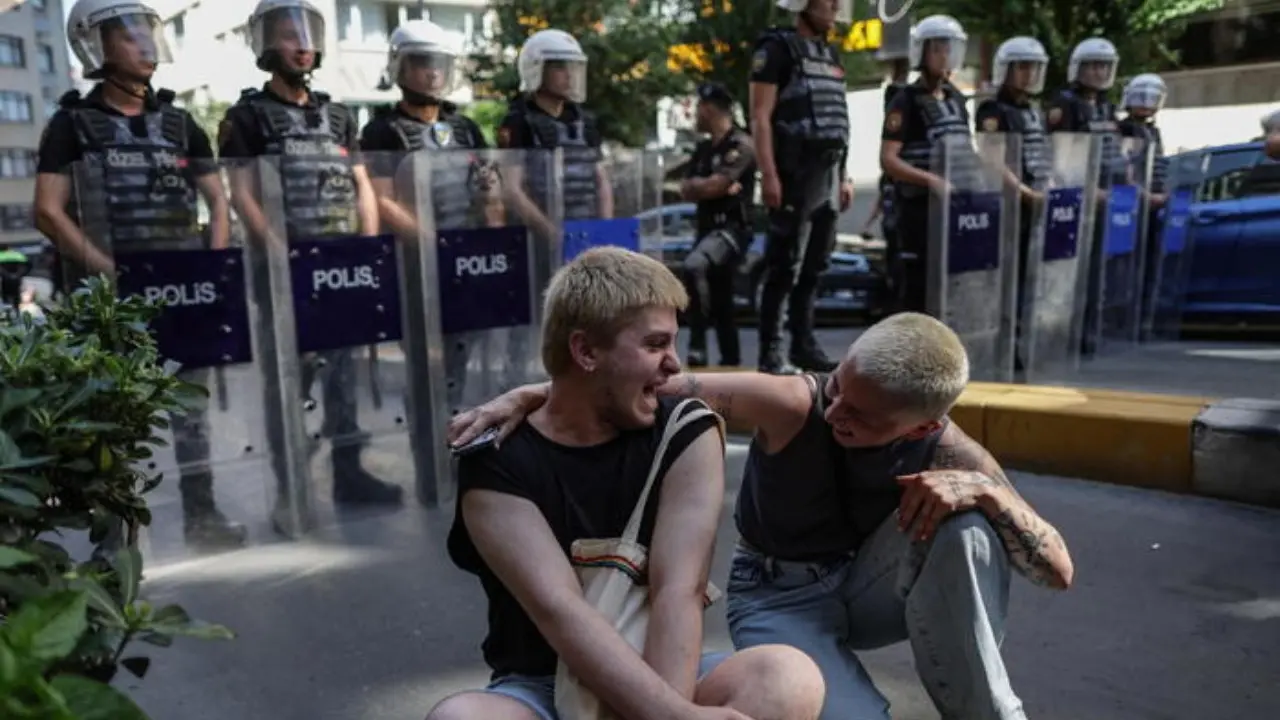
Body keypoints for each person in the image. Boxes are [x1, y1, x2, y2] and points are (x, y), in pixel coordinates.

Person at [450, 311, 1075, 720]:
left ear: (925, 424)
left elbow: (1057, 571)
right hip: (779, 595)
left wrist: (991, 495)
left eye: (861, 418)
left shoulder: (952, 451)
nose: (836, 417)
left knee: (970, 523)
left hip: (868, 586)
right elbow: (642, 385)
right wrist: (533, 394)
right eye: (838, 392)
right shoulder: (792, 403)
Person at [427, 247, 826, 720]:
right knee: (461, 719)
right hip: (543, 684)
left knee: (786, 678)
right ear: (585, 351)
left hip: (665, 667)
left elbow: (678, 590)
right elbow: (562, 613)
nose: (675, 364)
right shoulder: (496, 460)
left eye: (674, 344)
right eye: (656, 345)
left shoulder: (685, 430)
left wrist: (669, 711)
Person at [34, 0, 245, 550]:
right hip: (110, 298)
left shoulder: (180, 122)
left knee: (190, 414)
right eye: (128, 35)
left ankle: (203, 517)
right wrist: (111, 272)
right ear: (95, 45)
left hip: (182, 290)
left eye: (148, 32)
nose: (145, 44)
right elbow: (47, 211)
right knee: (111, 419)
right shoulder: (72, 124)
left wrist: (211, 263)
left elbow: (217, 202)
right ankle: (116, 542)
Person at [218, 0, 403, 534]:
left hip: (343, 270)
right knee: (290, 382)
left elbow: (361, 185)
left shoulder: (339, 114)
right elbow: (242, 195)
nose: (302, 43)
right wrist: (282, 254)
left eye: (308, 33)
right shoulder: (246, 117)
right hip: (287, 274)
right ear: (265, 44)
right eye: (288, 33)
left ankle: (350, 473)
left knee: (342, 378)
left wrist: (367, 251)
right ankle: (291, 488)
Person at [359, 18, 493, 411]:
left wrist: (489, 239)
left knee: (463, 365)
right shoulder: (382, 130)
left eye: (438, 62)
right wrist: (435, 245)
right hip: (416, 268)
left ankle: (462, 459)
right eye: (422, 62)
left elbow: (489, 188)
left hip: (468, 265)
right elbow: (383, 200)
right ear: (401, 66)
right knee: (425, 369)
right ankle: (428, 456)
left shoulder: (466, 128)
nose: (433, 72)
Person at [749, 0, 855, 375]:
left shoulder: (830, 52)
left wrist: (844, 175)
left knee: (815, 267)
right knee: (784, 266)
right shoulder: (776, 48)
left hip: (828, 172)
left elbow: (839, 119)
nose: (835, 7)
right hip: (794, 171)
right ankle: (771, 351)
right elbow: (760, 117)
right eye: (829, 1)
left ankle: (803, 343)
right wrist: (769, 174)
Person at [879, 14, 972, 316]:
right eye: (937, 49)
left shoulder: (957, 100)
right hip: (918, 209)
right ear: (921, 52)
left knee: (953, 286)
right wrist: (931, 181)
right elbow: (888, 159)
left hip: (954, 208)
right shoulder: (905, 100)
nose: (945, 56)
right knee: (915, 289)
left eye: (949, 49)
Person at [974, 36, 1052, 371]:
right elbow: (991, 158)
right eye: (1022, 67)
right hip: (1008, 206)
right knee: (1005, 281)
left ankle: (1022, 342)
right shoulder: (993, 110)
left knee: (1028, 278)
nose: (1029, 74)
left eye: (1034, 67)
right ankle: (1001, 345)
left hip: (1036, 202)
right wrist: (1023, 191)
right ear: (1005, 69)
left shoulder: (1034, 111)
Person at [1045, 37, 1122, 356]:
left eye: (1105, 65)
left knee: (1097, 271)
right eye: (1093, 65)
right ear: (1079, 68)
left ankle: (1090, 331)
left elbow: (1115, 150)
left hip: (1107, 198)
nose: (1100, 72)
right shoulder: (1065, 104)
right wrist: (1089, 191)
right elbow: (1061, 159)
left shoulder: (1106, 105)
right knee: (1070, 273)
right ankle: (1067, 334)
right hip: (1075, 200)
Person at [679, 82, 756, 369]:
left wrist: (711, 186)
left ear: (709, 109)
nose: (695, 114)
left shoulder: (741, 145)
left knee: (694, 265)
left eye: (698, 108)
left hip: (732, 230)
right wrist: (709, 186)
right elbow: (687, 188)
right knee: (722, 300)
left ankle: (697, 342)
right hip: (706, 228)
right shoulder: (703, 149)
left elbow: (715, 185)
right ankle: (731, 363)